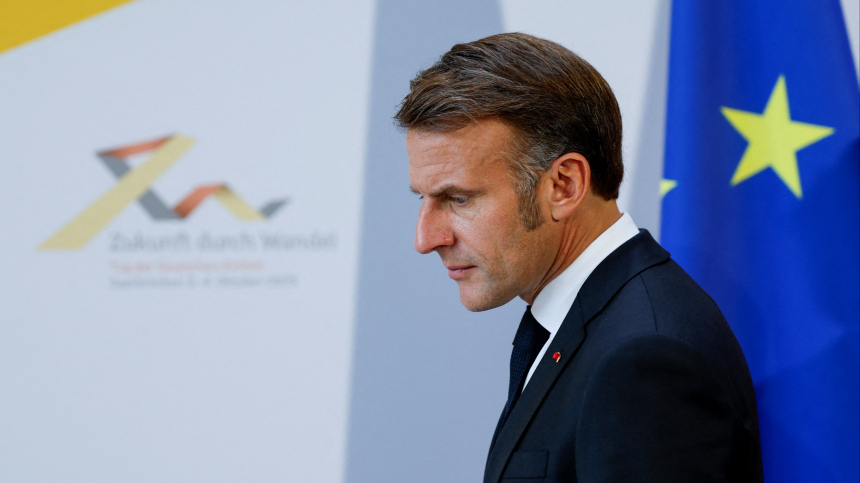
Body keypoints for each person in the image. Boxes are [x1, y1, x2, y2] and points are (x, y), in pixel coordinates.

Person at [396, 33, 763, 482]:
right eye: (422, 198)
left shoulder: (644, 358)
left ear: (564, 186)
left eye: (458, 199)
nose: (425, 238)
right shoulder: (598, 323)